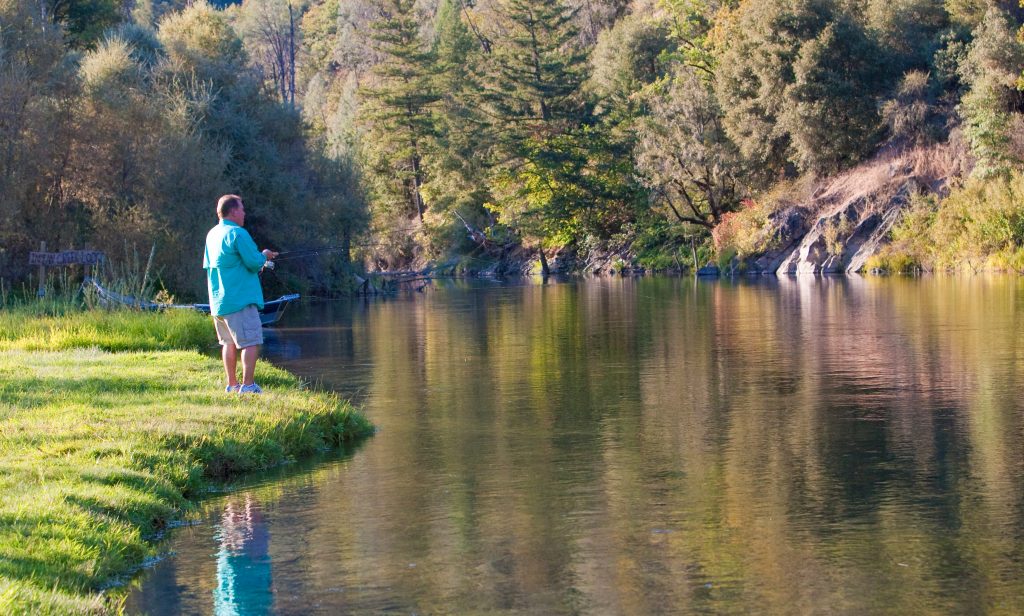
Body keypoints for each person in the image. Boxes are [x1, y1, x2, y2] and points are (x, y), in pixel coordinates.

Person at [204, 194, 278, 394]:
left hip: (219, 302)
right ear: (234, 211)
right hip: (240, 300)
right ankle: (248, 386)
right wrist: (265, 256)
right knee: (251, 342)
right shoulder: (238, 233)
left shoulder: (211, 235)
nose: (244, 213)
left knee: (228, 343)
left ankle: (232, 384)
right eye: (242, 209)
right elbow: (254, 262)